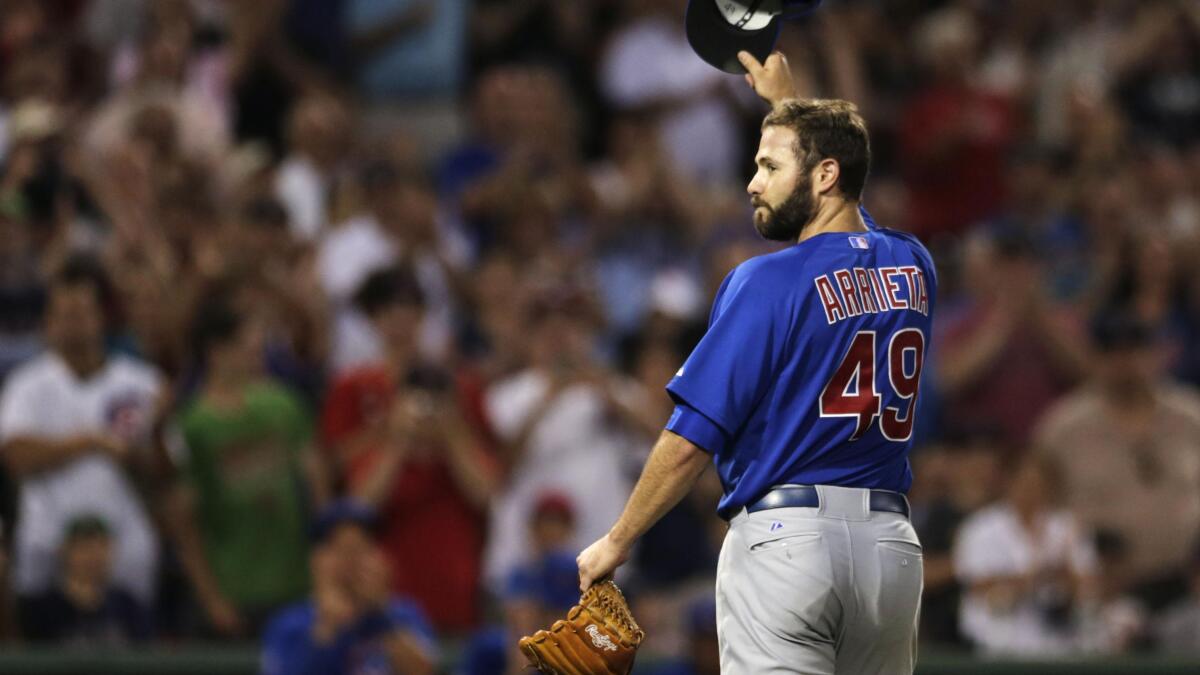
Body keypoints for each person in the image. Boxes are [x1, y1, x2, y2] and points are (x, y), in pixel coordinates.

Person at [576, 52, 935, 674]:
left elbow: (691, 439)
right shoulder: (914, 264)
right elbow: (854, 216)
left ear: (823, 176)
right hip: (891, 552)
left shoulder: (766, 280)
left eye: (769, 166)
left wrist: (617, 539)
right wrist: (786, 104)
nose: (752, 183)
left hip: (789, 546)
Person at [0, 257, 162, 607]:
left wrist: (156, 432)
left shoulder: (140, 382)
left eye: (83, 313)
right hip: (46, 546)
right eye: (64, 315)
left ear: (101, 318)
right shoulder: (27, 385)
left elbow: (165, 472)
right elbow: (15, 455)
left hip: (126, 546)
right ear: (48, 323)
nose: (74, 324)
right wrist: (91, 442)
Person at [165, 295, 324, 637]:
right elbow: (183, 524)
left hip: (295, 587)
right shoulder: (191, 424)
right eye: (248, 345)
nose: (258, 353)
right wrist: (212, 600)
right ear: (217, 351)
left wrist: (323, 576)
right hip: (234, 591)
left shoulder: (284, 405)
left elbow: (318, 490)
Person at [261, 500, 437, 675]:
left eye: (361, 547)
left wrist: (379, 616)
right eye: (341, 548)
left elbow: (423, 671)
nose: (352, 560)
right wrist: (328, 628)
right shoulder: (290, 623)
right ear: (316, 559)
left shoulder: (402, 613)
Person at [953, 455, 1098, 656]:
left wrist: (1064, 574)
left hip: (1058, 641)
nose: (1031, 489)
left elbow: (1088, 582)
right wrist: (1035, 577)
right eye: (1025, 481)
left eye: (1038, 482)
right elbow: (976, 584)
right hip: (995, 641)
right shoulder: (981, 527)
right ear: (1008, 482)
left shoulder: (1066, 526)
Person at [19, 514, 152, 645]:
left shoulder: (128, 606)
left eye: (101, 546)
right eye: (85, 547)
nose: (94, 556)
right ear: (64, 551)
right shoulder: (40, 610)